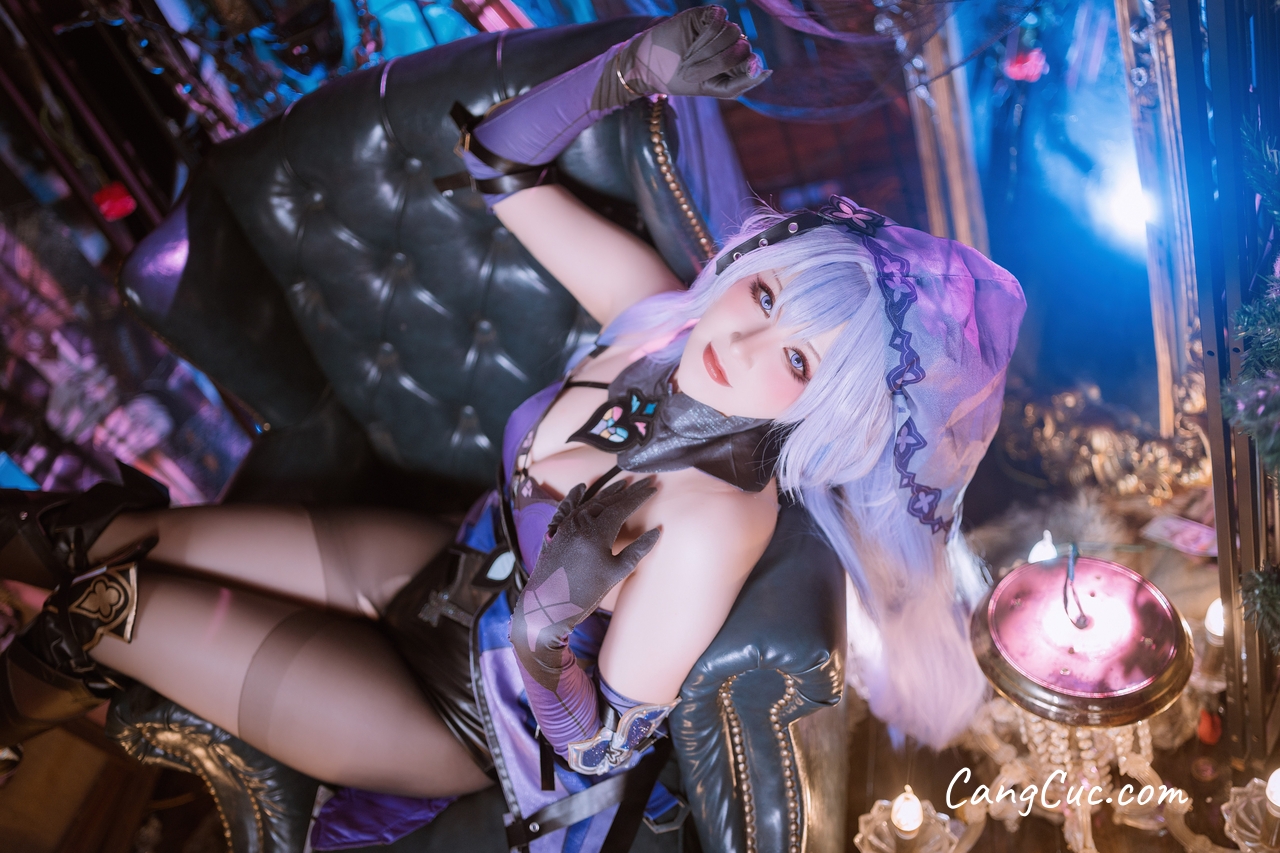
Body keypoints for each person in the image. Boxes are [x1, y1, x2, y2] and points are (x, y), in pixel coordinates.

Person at [0, 8, 1025, 851]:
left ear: (826, 408)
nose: (744, 342)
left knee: (104, 606)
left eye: (797, 361)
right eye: (763, 294)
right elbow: (497, 164)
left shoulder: (718, 521)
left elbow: (596, 749)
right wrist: (628, 72)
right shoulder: (660, 322)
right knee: (78, 532)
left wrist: (545, 632)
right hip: (431, 568)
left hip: (462, 720)